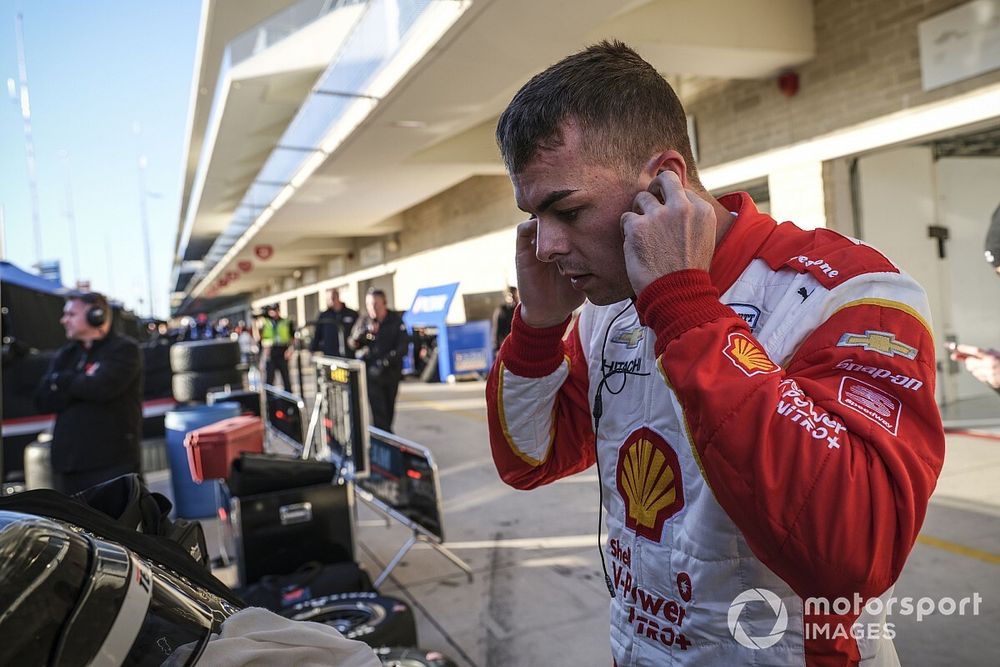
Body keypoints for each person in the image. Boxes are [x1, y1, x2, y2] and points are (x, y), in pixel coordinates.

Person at [485, 42, 944, 665]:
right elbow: (530, 459)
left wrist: (686, 309)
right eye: (533, 217)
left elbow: (857, 554)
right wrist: (538, 328)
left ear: (664, 182)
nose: (545, 245)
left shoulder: (850, 292)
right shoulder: (606, 308)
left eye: (566, 209)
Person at [35, 292, 143, 494]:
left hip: (112, 464)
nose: (63, 320)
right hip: (69, 467)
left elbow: (101, 389)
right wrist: (80, 381)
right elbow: (43, 400)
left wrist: (62, 381)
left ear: (96, 315)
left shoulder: (124, 349)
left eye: (71, 314)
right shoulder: (65, 355)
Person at [349, 289, 409, 432]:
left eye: (375, 304)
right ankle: (384, 443)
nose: (372, 308)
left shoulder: (395, 320)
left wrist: (386, 361)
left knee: (388, 411)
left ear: (384, 303)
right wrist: (361, 336)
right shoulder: (364, 321)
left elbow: (403, 347)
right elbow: (352, 342)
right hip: (372, 375)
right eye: (369, 304)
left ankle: (386, 439)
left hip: (390, 373)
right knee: (378, 413)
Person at [311, 288, 359, 358]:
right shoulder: (324, 316)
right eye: (328, 299)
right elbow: (317, 335)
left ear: (338, 297)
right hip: (330, 357)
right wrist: (312, 350)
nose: (330, 301)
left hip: (349, 356)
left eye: (332, 298)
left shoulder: (352, 314)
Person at [256, 304, 294, 391]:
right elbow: (259, 339)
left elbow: (292, 338)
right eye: (270, 311)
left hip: (282, 351)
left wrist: (290, 350)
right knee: (269, 380)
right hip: (270, 352)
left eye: (274, 310)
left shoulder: (286, 322)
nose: (272, 312)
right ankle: (270, 402)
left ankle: (289, 402)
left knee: (286, 379)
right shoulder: (265, 323)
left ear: (278, 310)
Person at [491, 286, 519, 352]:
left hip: (518, 344)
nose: (514, 297)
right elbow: (497, 330)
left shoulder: (520, 309)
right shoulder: (502, 310)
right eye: (511, 295)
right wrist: (497, 348)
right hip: (507, 346)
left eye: (515, 295)